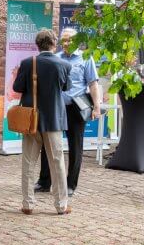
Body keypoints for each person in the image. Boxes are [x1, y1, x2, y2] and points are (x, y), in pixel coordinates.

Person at [35, 28, 102, 197]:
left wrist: (96, 106)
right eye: (63, 40)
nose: (66, 43)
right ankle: (44, 181)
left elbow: (93, 84)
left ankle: (71, 184)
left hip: (76, 108)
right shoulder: (55, 58)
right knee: (49, 144)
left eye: (70, 40)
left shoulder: (86, 58)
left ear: (77, 41)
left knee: (75, 146)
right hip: (56, 108)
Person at [13, 29, 72, 215]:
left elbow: (17, 87)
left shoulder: (27, 63)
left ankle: (28, 204)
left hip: (31, 120)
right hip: (54, 120)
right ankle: (61, 205)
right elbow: (66, 87)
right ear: (54, 43)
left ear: (37, 45)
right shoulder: (64, 65)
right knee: (57, 162)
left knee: (28, 163)